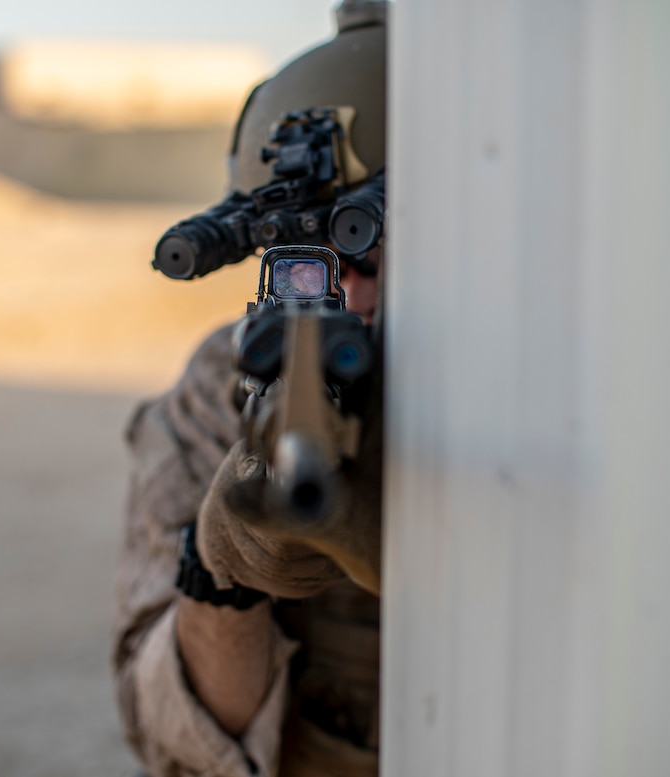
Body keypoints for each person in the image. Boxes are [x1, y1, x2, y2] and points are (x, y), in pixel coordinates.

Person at [112, 3, 388, 776]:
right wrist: (222, 574)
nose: (343, 298)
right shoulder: (222, 379)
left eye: (365, 251)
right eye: (304, 258)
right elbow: (173, 742)